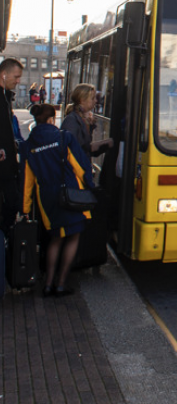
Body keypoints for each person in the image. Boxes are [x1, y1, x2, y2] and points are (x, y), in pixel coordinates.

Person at [20, 103, 94, 297]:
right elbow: (80, 166)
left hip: (46, 198)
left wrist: (26, 207)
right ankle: (60, 283)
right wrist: (91, 186)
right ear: (53, 119)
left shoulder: (28, 145)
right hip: (70, 195)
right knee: (73, 237)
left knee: (55, 238)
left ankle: (48, 283)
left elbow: (27, 181)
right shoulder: (64, 138)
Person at [0, 58, 24, 235]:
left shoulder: (5, 97)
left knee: (13, 202)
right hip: (4, 168)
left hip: (8, 166)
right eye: (16, 77)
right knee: (11, 202)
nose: (18, 81)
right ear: (4, 74)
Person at [61, 83, 113, 158]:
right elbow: (74, 150)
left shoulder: (82, 118)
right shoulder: (71, 120)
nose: (95, 101)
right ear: (82, 100)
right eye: (92, 98)